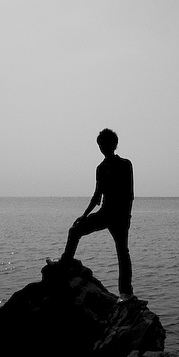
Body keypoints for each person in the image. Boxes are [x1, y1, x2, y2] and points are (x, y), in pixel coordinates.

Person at [49, 129, 135, 302]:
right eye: (100, 144)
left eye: (105, 143)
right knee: (75, 230)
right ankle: (64, 264)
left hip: (120, 216)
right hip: (105, 212)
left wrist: (127, 216)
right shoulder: (101, 168)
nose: (102, 147)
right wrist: (84, 215)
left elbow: (129, 194)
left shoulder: (125, 164)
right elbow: (97, 196)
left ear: (114, 144)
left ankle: (126, 293)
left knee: (122, 252)